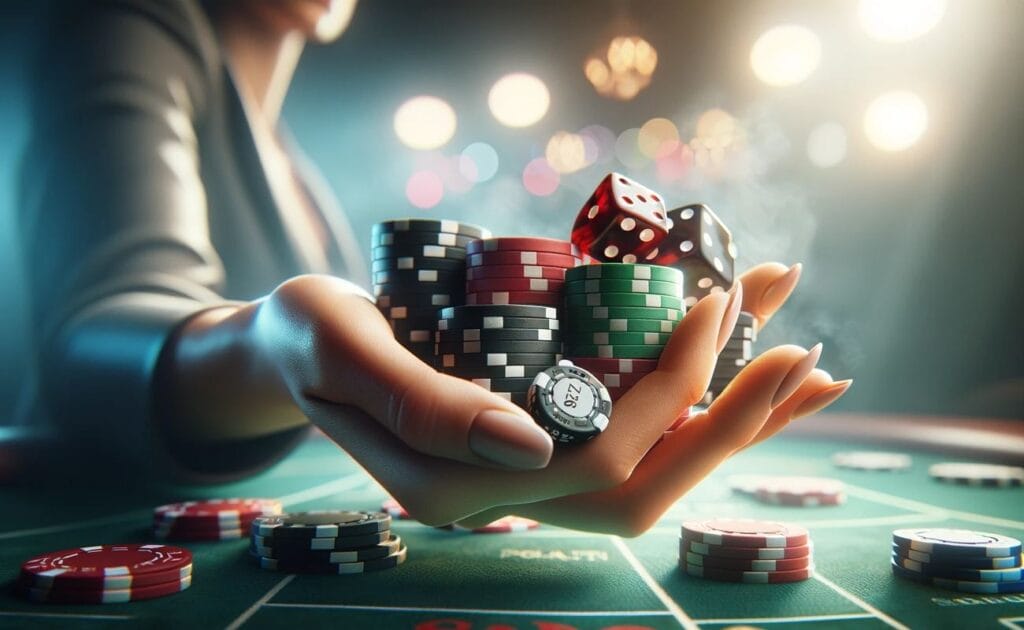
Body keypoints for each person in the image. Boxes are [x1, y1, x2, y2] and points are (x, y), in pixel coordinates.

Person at [17, 0, 850, 533]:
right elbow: (95, 338)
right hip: (72, 516)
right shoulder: (119, 21)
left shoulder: (295, 169)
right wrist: (282, 346)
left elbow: (387, 374)